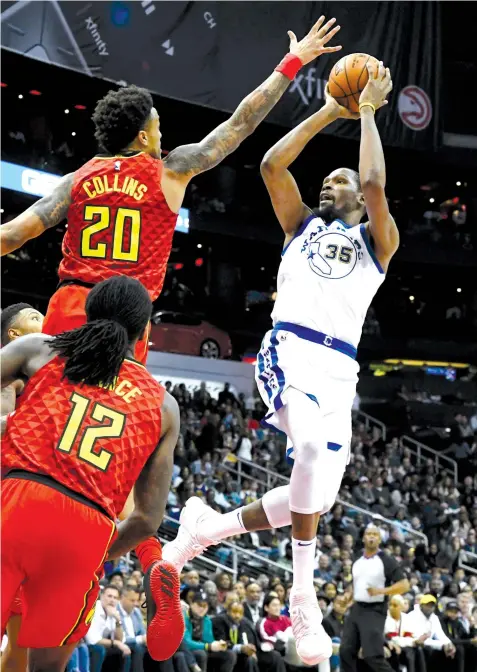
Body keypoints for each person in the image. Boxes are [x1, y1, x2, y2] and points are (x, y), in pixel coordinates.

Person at [0, 18, 342, 649]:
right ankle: (148, 557)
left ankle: (25, 557)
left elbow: (12, 235)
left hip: (68, 308)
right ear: (143, 133)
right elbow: (240, 124)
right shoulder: (171, 170)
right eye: (157, 123)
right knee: (114, 463)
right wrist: (290, 65)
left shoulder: (81, 181)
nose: (164, 131)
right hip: (125, 323)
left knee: (31, 442)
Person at [163, 60, 396, 666]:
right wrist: (331, 110)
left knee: (314, 491)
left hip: (339, 373)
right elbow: (272, 165)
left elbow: (374, 185)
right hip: (288, 349)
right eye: (327, 180)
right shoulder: (299, 228)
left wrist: (369, 110)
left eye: (337, 179)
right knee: (312, 457)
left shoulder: (377, 244)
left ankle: (206, 531)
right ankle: (302, 602)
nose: (329, 184)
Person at [1, 276, 181, 670]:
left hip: (20, 499)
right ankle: (153, 564)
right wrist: (100, 553)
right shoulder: (166, 406)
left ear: (88, 313)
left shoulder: (39, 348)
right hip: (88, 527)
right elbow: (148, 518)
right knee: (44, 667)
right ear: (145, 331)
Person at [0, 303, 44, 672]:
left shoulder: (38, 380)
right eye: (34, 318)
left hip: (24, 513)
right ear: (14, 335)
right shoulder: (9, 376)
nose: (44, 322)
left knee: (20, 643)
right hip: (6, 501)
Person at [338, 525, 410, 672]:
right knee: (346, 650)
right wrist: (349, 596)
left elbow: (405, 585)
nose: (371, 537)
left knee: (372, 656)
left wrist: (381, 591)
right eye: (368, 534)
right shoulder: (357, 559)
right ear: (364, 538)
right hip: (357, 608)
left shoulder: (386, 560)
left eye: (375, 535)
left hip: (375, 610)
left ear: (379, 539)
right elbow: (357, 583)